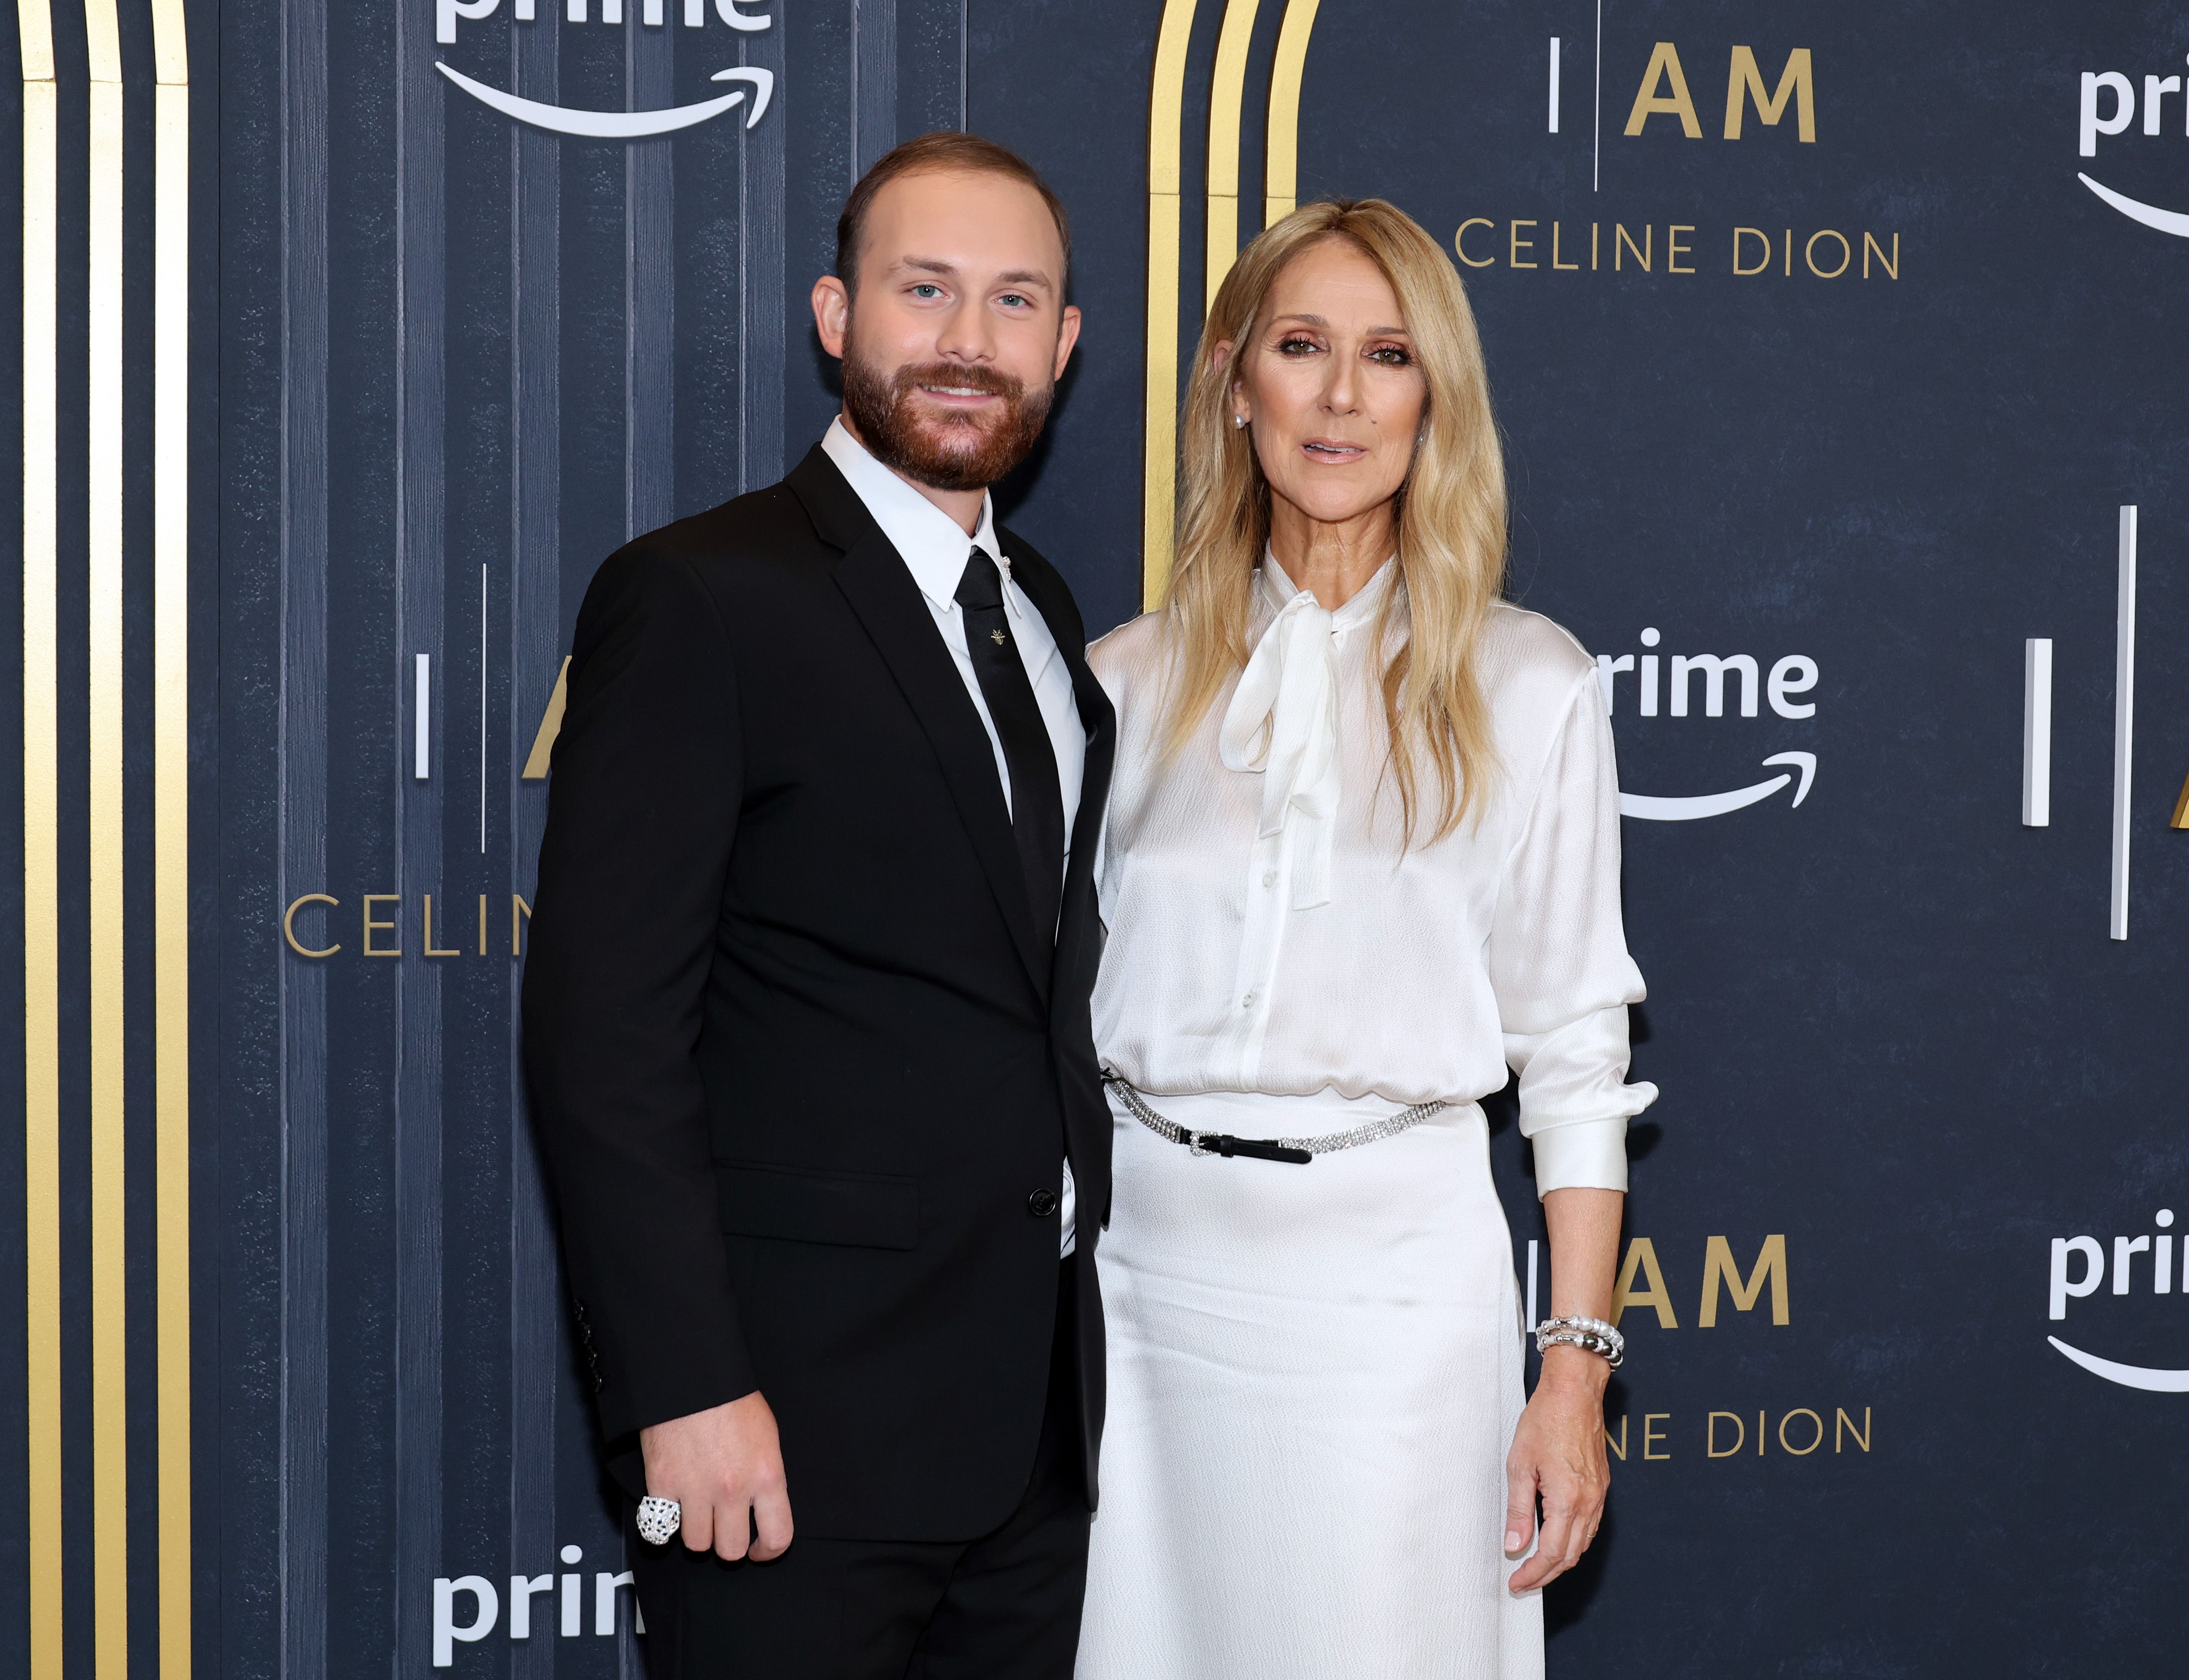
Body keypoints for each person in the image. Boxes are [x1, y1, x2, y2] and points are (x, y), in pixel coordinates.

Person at [522, 131, 1115, 1679]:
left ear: (1061, 346)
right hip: (782, 1440)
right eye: (926, 292)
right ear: (837, 315)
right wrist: (684, 1389)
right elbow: (605, 1036)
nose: (967, 344)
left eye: (1011, 303)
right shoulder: (703, 597)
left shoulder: (1048, 618)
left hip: (1031, 1440)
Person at [1074, 199, 1655, 1680]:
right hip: (1139, 1297)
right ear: (1232, 380)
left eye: (1388, 355)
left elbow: (1578, 1055)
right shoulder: (1115, 687)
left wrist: (1573, 1373)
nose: (1341, 397)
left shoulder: (1534, 687)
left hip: (1401, 1303)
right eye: (1302, 346)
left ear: (1433, 399)